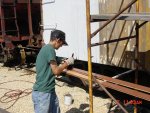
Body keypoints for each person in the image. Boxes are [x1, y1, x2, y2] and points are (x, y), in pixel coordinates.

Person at [32, 29, 74, 113]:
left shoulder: (46, 49)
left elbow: (52, 60)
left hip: (48, 90)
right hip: (43, 92)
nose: (61, 46)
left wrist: (61, 60)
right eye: (62, 43)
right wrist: (67, 63)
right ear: (58, 40)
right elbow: (56, 71)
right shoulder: (50, 50)